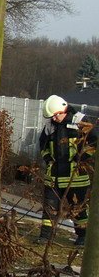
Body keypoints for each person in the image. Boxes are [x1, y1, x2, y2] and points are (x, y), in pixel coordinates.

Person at [36, 95, 95, 247]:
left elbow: (93, 142)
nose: (54, 118)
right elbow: (42, 144)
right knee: (49, 209)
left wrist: (81, 159)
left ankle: (82, 237)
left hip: (76, 176)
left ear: (64, 109)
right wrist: (48, 158)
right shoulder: (50, 126)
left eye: (56, 115)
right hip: (54, 175)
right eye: (52, 116)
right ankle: (45, 237)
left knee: (78, 208)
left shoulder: (80, 121)